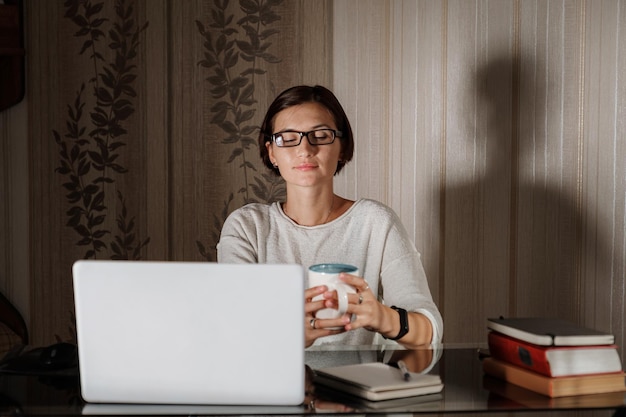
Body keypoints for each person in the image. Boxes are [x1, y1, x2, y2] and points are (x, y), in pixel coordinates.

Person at [217, 85, 443, 349]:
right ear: (271, 153)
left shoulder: (376, 222)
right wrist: (287, 333)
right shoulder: (247, 227)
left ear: (342, 147)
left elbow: (429, 331)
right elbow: (232, 327)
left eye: (320, 135)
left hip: (357, 387)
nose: (305, 149)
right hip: (270, 386)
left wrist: (383, 317)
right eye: (288, 138)